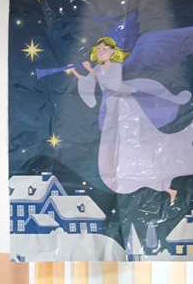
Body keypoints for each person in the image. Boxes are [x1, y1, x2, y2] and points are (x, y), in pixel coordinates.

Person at [70, 36, 193, 204]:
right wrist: (76, 72)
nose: (101, 52)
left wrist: (90, 70)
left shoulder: (115, 67)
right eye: (99, 50)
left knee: (138, 142)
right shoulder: (98, 68)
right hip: (111, 110)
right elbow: (87, 84)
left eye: (105, 49)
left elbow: (111, 84)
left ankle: (164, 182)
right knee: (119, 148)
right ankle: (167, 189)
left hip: (126, 106)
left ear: (112, 51)